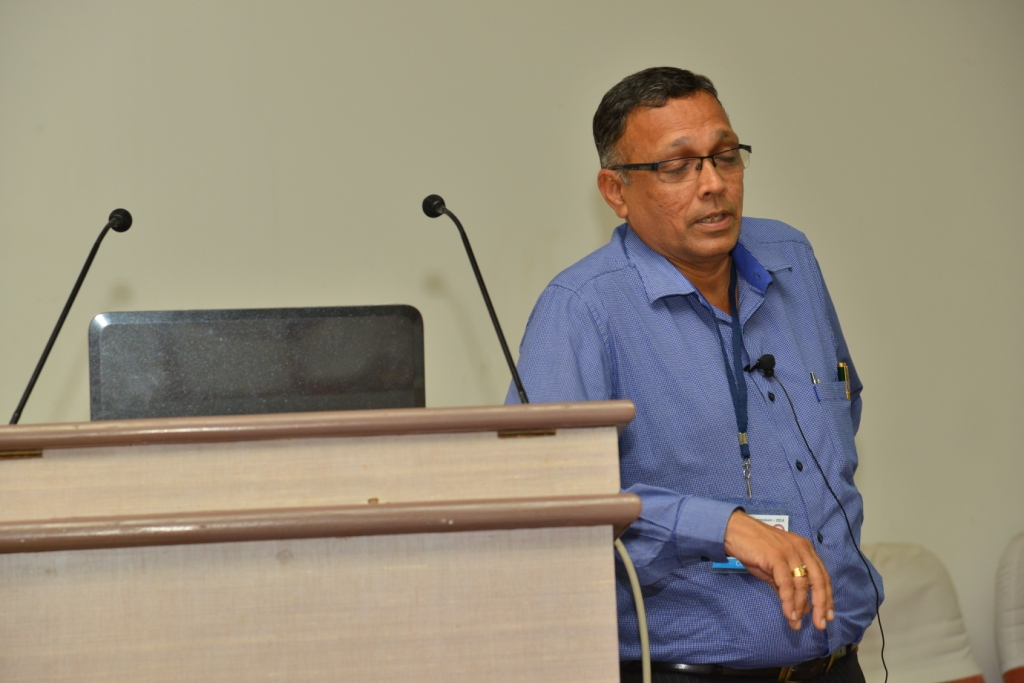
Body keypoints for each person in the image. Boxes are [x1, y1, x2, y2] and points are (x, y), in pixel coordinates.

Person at [506, 67, 883, 682]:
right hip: (686, 671)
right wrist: (720, 527)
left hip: (839, 663)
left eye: (725, 156)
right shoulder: (581, 308)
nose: (713, 184)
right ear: (616, 190)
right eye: (677, 167)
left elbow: (845, 410)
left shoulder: (791, 258)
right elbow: (545, 499)